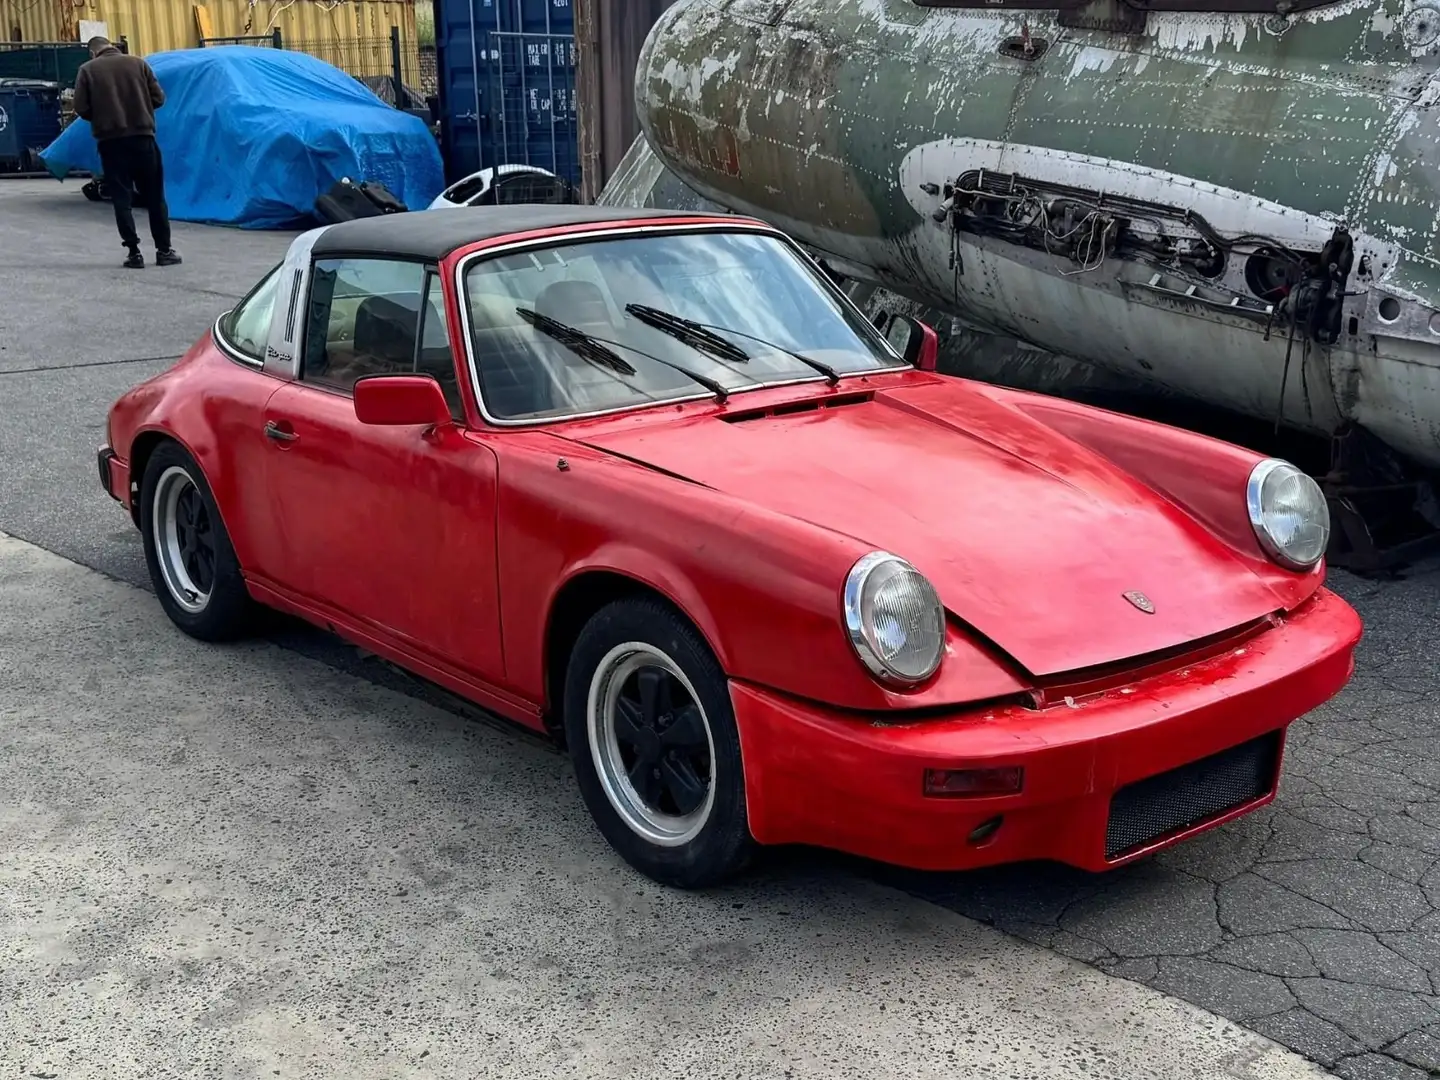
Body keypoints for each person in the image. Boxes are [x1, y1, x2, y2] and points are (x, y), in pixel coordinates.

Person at [72, 36, 181, 269]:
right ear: (112, 46)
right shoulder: (138, 63)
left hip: (110, 143)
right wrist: (140, 109)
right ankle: (164, 251)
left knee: (122, 198)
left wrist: (103, 116)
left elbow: (80, 107)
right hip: (143, 139)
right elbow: (159, 98)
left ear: (93, 53)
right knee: (155, 197)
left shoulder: (87, 70)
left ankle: (134, 253)